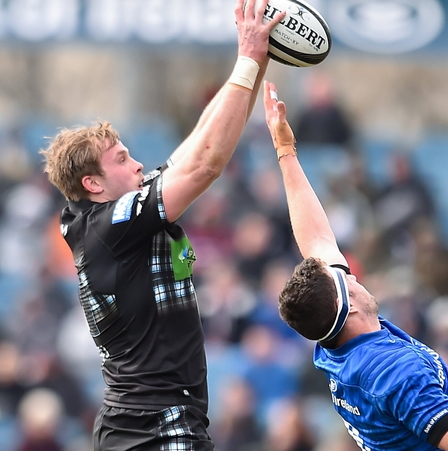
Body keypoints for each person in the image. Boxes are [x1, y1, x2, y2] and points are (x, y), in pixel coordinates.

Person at [38, 1, 285, 449]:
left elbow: (195, 149)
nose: (137, 165)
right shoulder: (107, 229)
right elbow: (206, 166)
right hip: (154, 426)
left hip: (149, 422)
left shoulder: (119, 210)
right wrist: (248, 61)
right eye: (121, 160)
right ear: (92, 183)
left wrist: (254, 62)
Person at [261, 80, 448, 451]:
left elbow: (317, 241)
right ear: (351, 303)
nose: (352, 274)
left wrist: (285, 150)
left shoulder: (333, 343)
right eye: (345, 279)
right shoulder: (392, 372)